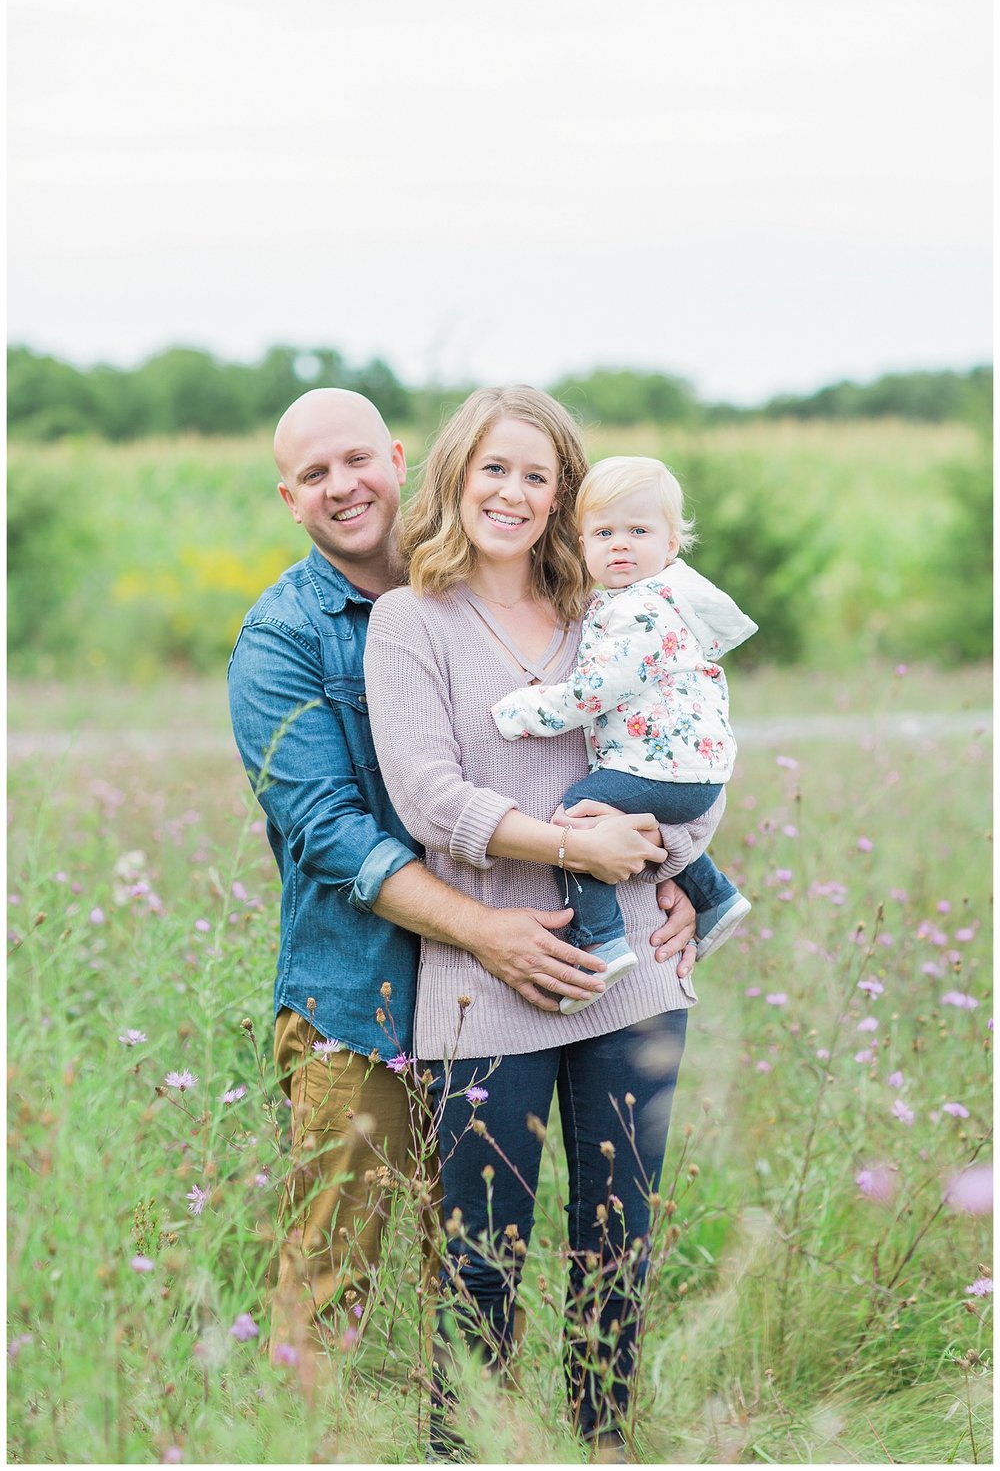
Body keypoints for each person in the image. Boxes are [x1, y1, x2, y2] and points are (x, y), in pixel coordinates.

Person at [227, 385, 695, 1387]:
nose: (342, 485)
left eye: (356, 459)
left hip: (502, 990)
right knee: (327, 1279)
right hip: (364, 994)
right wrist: (488, 929)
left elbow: (635, 740)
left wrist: (678, 869)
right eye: (313, 474)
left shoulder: (516, 583)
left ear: (400, 460)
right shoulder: (283, 637)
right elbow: (334, 839)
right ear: (288, 496)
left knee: (476, 1267)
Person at [363, 388, 720, 1457]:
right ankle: (467, 1449)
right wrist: (576, 848)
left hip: (630, 981)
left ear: (563, 492)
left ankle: (601, 1444)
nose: (512, 493)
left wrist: (674, 873)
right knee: (479, 1254)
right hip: (486, 974)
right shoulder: (409, 621)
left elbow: (694, 750)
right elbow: (428, 798)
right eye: (493, 469)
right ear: (454, 479)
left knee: (617, 1240)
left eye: (536, 474)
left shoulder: (614, 608)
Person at [492, 452, 756, 995]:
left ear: (670, 545)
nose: (620, 543)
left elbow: (594, 693)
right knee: (626, 812)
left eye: (638, 530)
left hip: (663, 769)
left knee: (579, 814)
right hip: (691, 772)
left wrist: (523, 710)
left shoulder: (640, 610)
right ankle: (714, 897)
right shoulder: (660, 602)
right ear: (582, 543)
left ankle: (602, 939)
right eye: (604, 531)